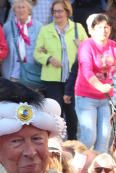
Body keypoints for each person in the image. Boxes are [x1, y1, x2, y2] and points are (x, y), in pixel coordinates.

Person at [75, 13, 116, 153]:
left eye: (107, 27)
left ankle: (98, 169)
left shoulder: (114, 46)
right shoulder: (86, 46)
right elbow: (86, 71)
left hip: (105, 99)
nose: (104, 30)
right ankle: (77, 165)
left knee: (104, 137)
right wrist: (101, 87)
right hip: (86, 97)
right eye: (100, 27)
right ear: (93, 29)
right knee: (89, 136)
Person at [34, 0, 84, 140]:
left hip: (73, 78)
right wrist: (49, 58)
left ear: (67, 12)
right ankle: (56, 141)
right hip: (52, 79)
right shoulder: (46, 29)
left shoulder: (77, 28)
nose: (57, 14)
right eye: (55, 11)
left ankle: (73, 140)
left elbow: (88, 50)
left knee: (72, 112)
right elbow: (37, 53)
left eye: (60, 11)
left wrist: (81, 47)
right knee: (55, 112)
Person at [2, 0, 37, 80]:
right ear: (14, 11)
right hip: (12, 73)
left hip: (31, 75)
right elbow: (2, 46)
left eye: (23, 7)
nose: (21, 10)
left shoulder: (38, 27)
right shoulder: (7, 27)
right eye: (18, 8)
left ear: (29, 11)